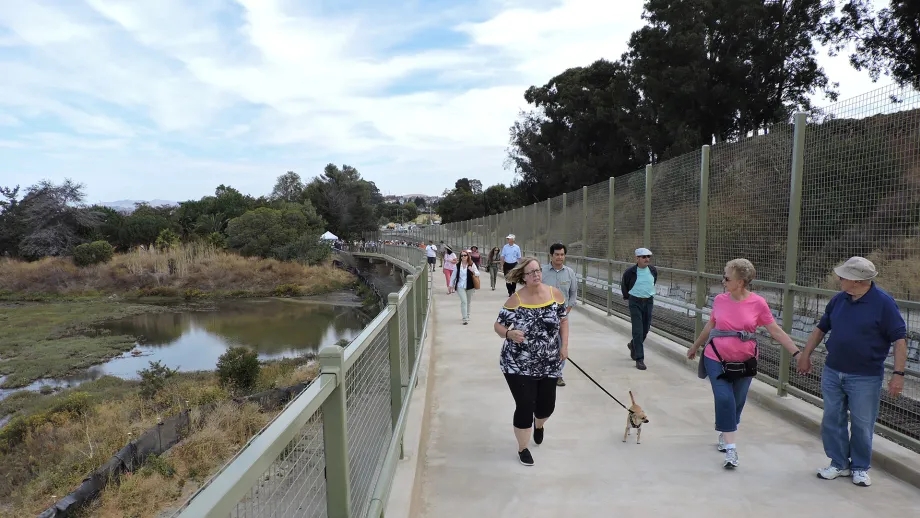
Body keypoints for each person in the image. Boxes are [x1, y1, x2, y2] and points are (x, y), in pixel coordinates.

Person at [796, 256, 907, 487]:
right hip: (833, 370)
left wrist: (898, 374)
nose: (839, 279)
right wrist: (805, 355)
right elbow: (820, 329)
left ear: (857, 281)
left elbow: (899, 339)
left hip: (865, 376)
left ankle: (859, 467)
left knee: (862, 423)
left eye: (843, 276)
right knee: (831, 418)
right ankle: (838, 463)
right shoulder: (839, 300)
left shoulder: (884, 303)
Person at [687, 258, 800, 469]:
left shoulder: (758, 303)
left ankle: (726, 431)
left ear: (740, 282)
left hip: (745, 361)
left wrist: (796, 353)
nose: (723, 281)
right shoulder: (720, 300)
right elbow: (710, 326)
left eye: (727, 277)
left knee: (737, 402)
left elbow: (774, 330)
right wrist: (695, 346)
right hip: (716, 357)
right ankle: (731, 451)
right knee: (724, 399)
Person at [492, 257, 569, 466]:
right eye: (531, 272)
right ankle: (523, 448)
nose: (536, 274)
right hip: (517, 363)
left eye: (538, 270)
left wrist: (564, 346)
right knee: (525, 404)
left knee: (547, 407)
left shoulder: (555, 294)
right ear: (523, 277)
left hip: (550, 362)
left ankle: (540, 424)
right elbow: (498, 326)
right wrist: (509, 334)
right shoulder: (516, 300)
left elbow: (563, 320)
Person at [541, 243, 579, 387]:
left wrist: (568, 309)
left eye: (562, 254)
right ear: (551, 255)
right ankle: (543, 372)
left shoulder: (569, 273)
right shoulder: (542, 272)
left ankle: (557, 374)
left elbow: (573, 292)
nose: (559, 257)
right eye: (557, 254)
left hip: (562, 317)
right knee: (545, 344)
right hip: (543, 316)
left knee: (562, 345)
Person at [621, 247, 658, 370]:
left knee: (645, 328)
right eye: (644, 257)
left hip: (648, 301)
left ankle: (633, 345)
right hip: (635, 301)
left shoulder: (653, 270)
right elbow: (624, 284)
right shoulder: (630, 272)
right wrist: (628, 297)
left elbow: (653, 282)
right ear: (637, 258)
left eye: (648, 257)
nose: (647, 259)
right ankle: (639, 358)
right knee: (638, 329)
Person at [449, 250, 481, 324]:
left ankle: (467, 315)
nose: (463, 257)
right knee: (464, 301)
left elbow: (478, 273)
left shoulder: (471, 264)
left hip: (470, 286)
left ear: (468, 256)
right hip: (460, 286)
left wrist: (472, 271)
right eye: (462, 255)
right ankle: (465, 318)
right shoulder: (457, 265)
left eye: (465, 255)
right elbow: (453, 276)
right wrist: (450, 285)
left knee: (468, 302)